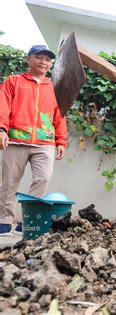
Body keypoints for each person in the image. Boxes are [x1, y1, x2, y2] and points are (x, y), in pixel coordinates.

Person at [0, 45, 67, 236]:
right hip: (16, 140)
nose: (43, 62)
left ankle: (28, 219)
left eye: (47, 59)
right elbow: (2, 106)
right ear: (29, 59)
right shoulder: (14, 81)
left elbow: (60, 116)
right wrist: (1, 129)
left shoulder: (55, 88)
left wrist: (61, 141)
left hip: (44, 143)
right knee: (9, 182)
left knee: (43, 178)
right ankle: (4, 220)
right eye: (39, 57)